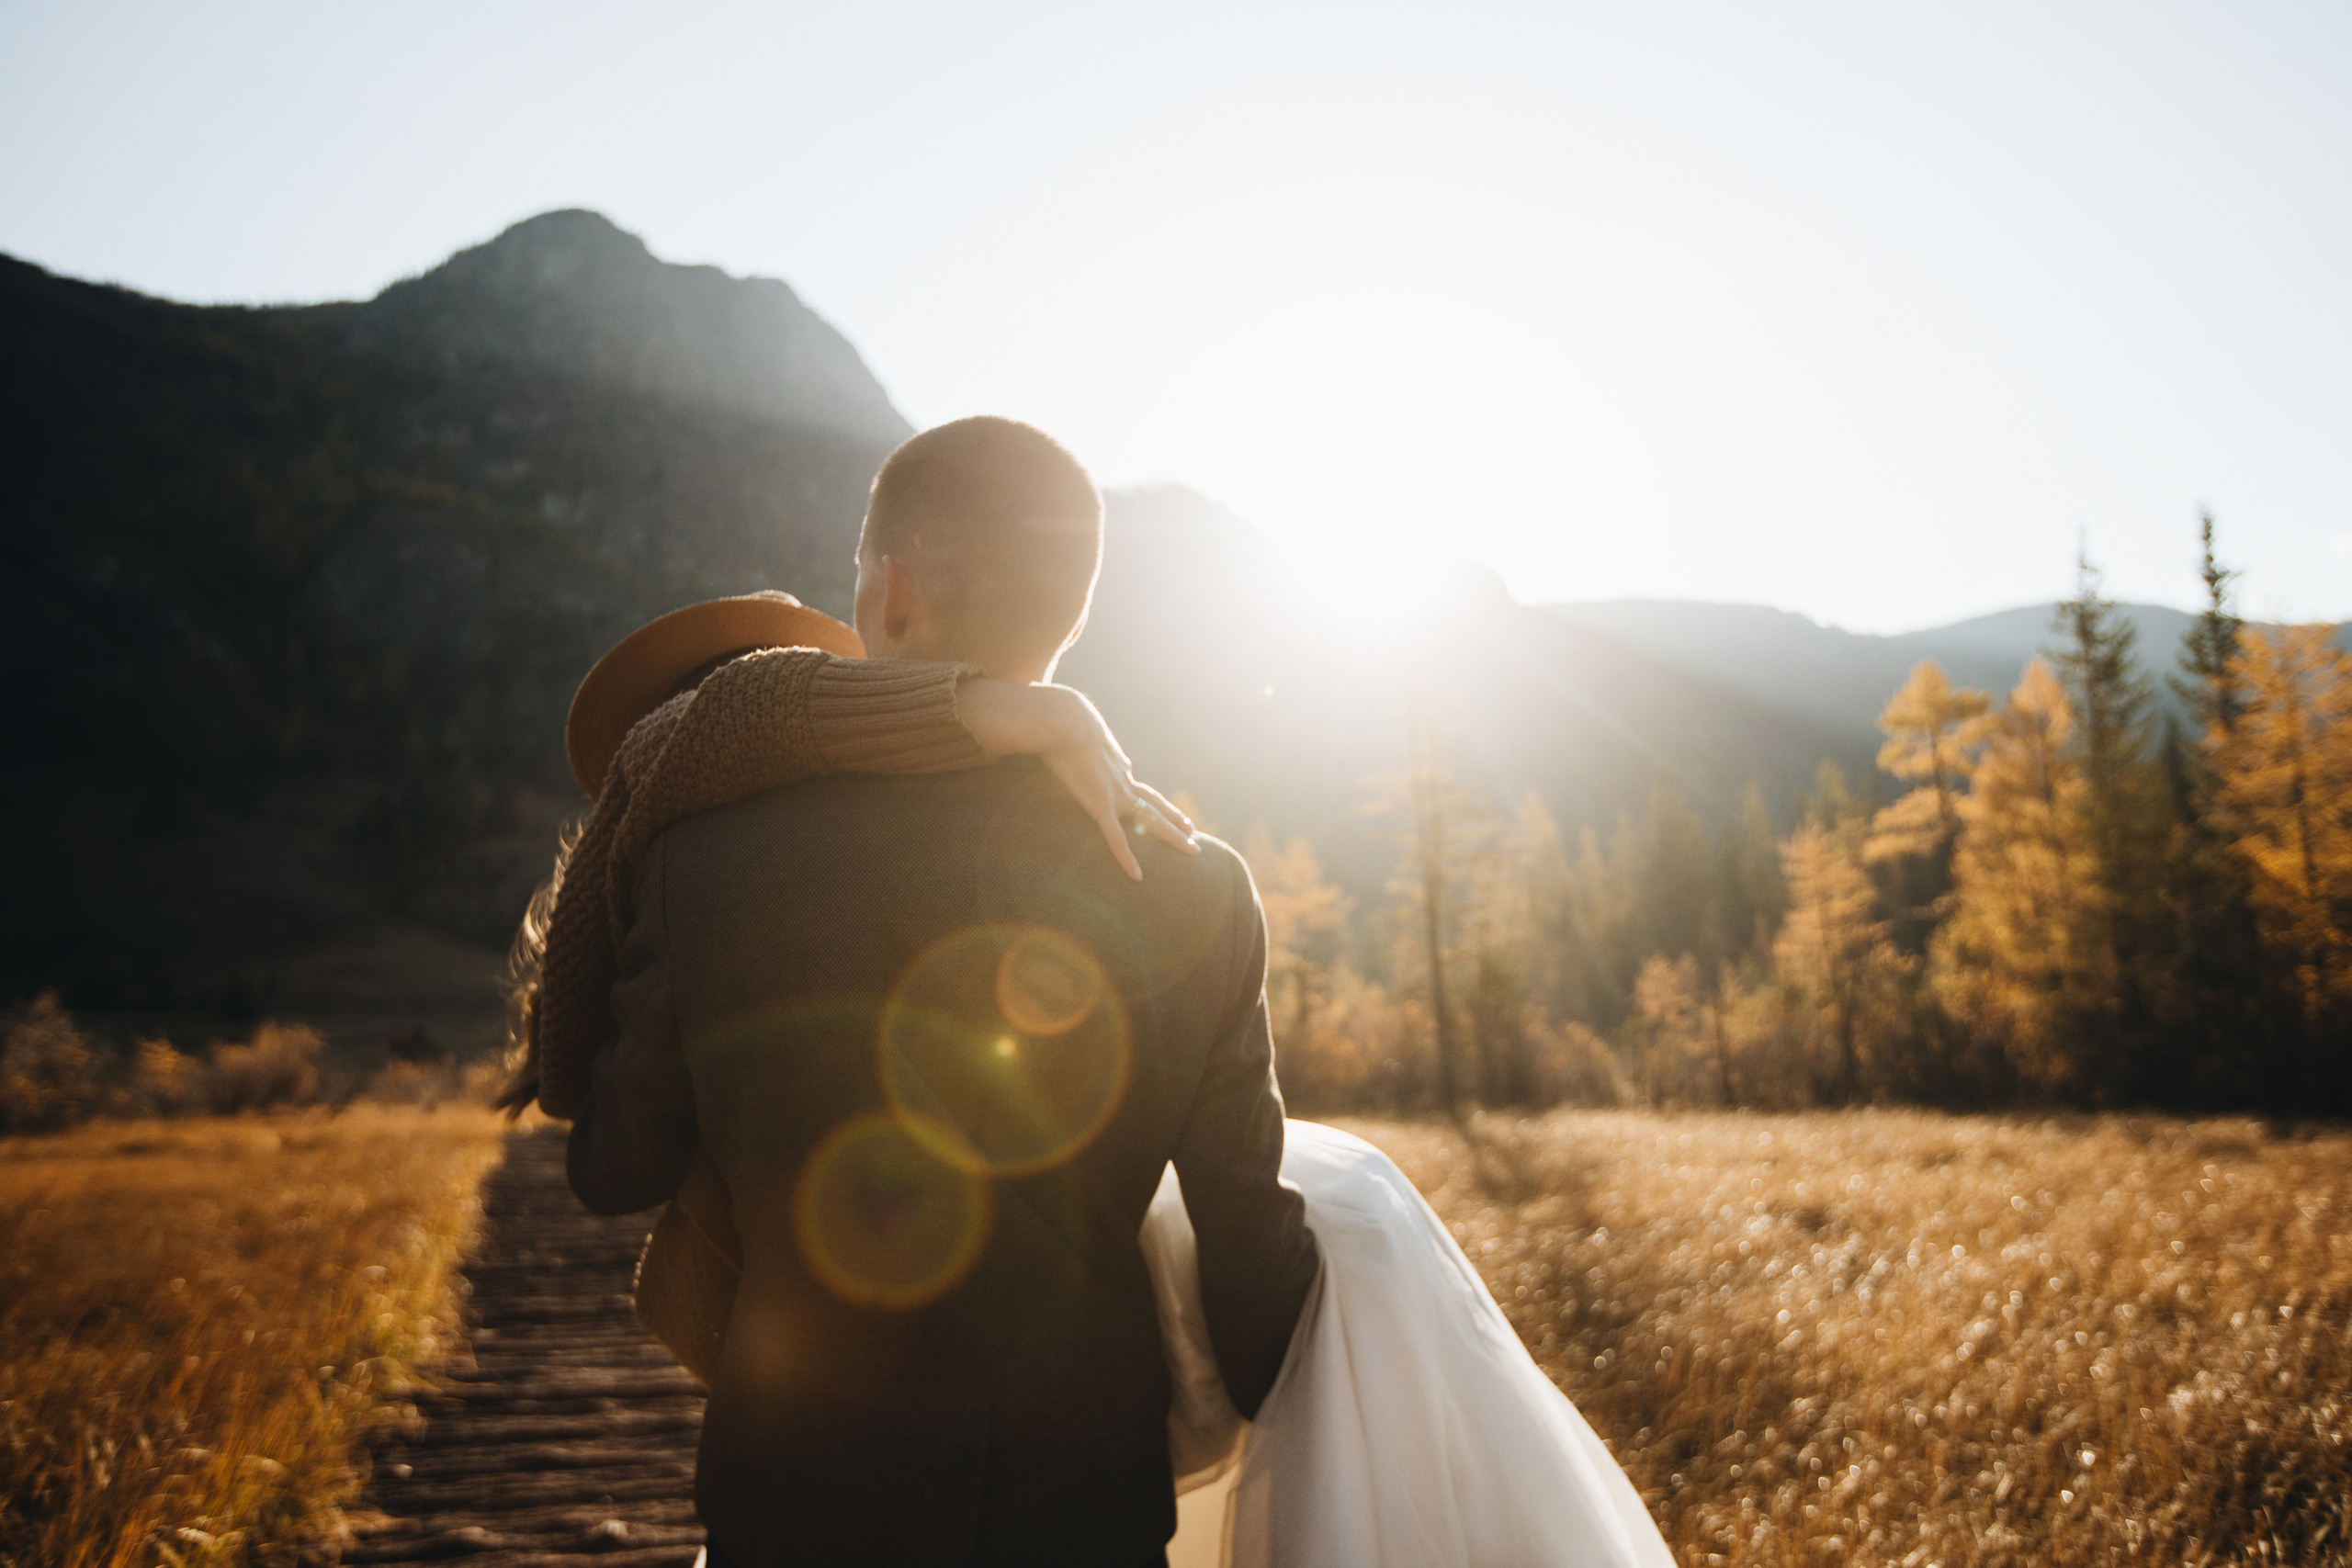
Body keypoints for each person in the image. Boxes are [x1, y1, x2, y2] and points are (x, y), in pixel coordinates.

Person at [543, 417, 1319, 1567]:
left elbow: (613, 1167)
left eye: (858, 572)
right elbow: (1256, 1281)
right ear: (1070, 615)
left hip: (794, 1501)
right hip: (1081, 1509)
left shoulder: (699, 861)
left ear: (891, 587)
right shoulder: (1196, 890)